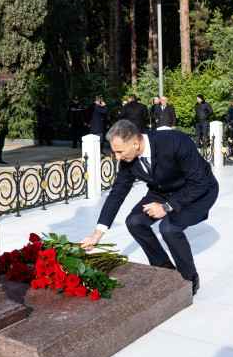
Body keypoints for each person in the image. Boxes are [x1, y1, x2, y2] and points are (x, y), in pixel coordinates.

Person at [79, 120, 218, 295]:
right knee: (134, 221)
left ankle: (189, 277)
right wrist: (97, 235)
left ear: (135, 143)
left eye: (119, 151)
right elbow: (117, 194)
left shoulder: (176, 141)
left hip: (198, 190)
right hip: (162, 191)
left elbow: (199, 183)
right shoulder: (128, 161)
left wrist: (166, 207)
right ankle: (164, 268)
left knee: (169, 228)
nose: (117, 157)